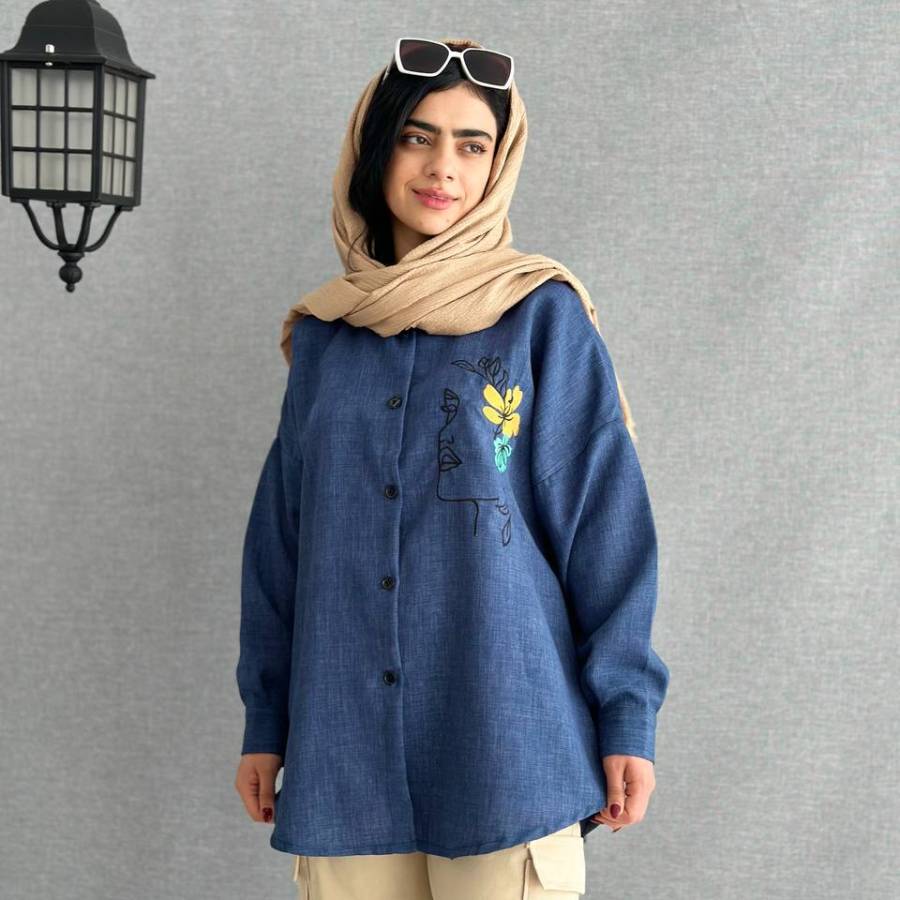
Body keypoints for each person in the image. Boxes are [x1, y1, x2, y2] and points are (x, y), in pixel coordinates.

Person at [233, 36, 670, 900]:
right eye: (418, 137)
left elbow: (606, 528)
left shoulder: (543, 318)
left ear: (498, 165)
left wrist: (627, 715)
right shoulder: (325, 339)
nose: (444, 168)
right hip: (344, 757)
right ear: (376, 149)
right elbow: (282, 543)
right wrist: (266, 716)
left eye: (473, 145)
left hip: (508, 748)